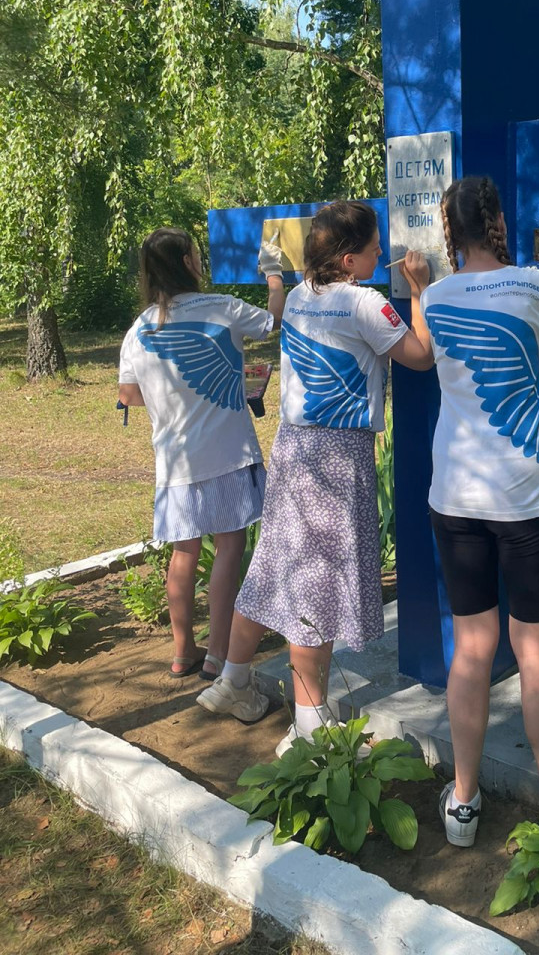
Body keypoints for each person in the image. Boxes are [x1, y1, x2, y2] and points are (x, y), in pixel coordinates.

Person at [403, 174, 539, 847]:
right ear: (497, 220)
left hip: (455, 501)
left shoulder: (436, 295)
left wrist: (416, 289)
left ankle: (462, 802)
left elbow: (427, 349)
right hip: (526, 500)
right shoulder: (530, 286)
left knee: (472, 649)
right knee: (536, 654)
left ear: (448, 232)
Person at [197, 200, 433, 755]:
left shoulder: (302, 296)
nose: (384, 252)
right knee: (317, 583)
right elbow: (420, 356)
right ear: (350, 258)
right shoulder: (365, 303)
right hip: (337, 457)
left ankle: (233, 679)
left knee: (276, 565)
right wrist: (420, 290)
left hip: (294, 445)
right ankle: (310, 723)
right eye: (375, 246)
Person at [118, 225, 285, 681]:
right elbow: (274, 322)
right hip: (228, 453)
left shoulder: (139, 329)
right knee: (229, 547)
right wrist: (274, 276)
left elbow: (128, 394)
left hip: (173, 461)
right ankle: (218, 653)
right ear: (189, 263)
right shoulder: (222, 308)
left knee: (183, 553)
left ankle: (182, 650)